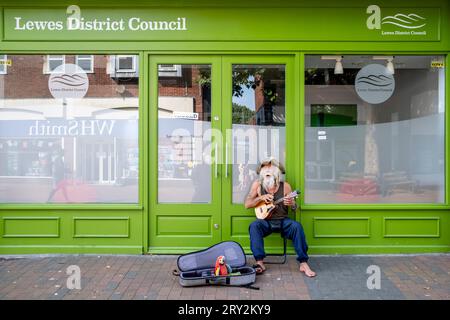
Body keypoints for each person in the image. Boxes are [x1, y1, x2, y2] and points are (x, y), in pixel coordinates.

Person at [245, 158, 316, 277]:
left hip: (283, 221)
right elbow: (247, 204)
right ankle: (259, 262)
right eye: (265, 168)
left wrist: (292, 204)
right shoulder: (257, 185)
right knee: (254, 226)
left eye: (271, 168)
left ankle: (303, 263)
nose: (267, 171)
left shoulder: (286, 186)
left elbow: (295, 208)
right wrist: (260, 198)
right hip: (265, 221)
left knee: (297, 227)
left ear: (277, 173)